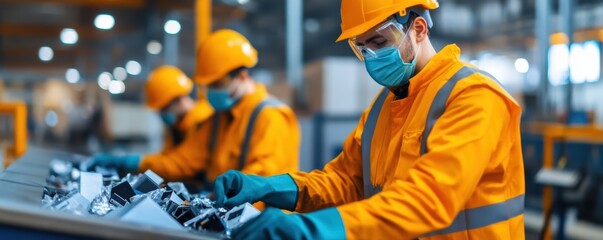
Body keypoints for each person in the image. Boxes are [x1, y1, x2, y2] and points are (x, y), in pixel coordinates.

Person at [212, 0, 526, 239]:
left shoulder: (474, 96)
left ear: (418, 29)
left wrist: (311, 229)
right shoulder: (383, 105)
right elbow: (346, 180)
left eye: (379, 42)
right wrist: (272, 187)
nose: (371, 57)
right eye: (361, 48)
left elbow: (429, 198)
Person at [93, 30, 300, 189]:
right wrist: (135, 162)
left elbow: (261, 183)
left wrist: (224, 199)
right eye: (208, 86)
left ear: (243, 77)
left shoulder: (270, 117)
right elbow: (183, 161)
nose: (211, 92)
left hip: (264, 223)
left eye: (217, 84)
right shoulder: (218, 119)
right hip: (232, 214)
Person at [92, 66, 213, 175]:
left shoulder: (201, 119)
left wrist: (137, 162)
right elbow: (166, 157)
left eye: (164, 109)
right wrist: (139, 161)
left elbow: (180, 164)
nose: (162, 114)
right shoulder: (178, 124)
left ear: (178, 99)